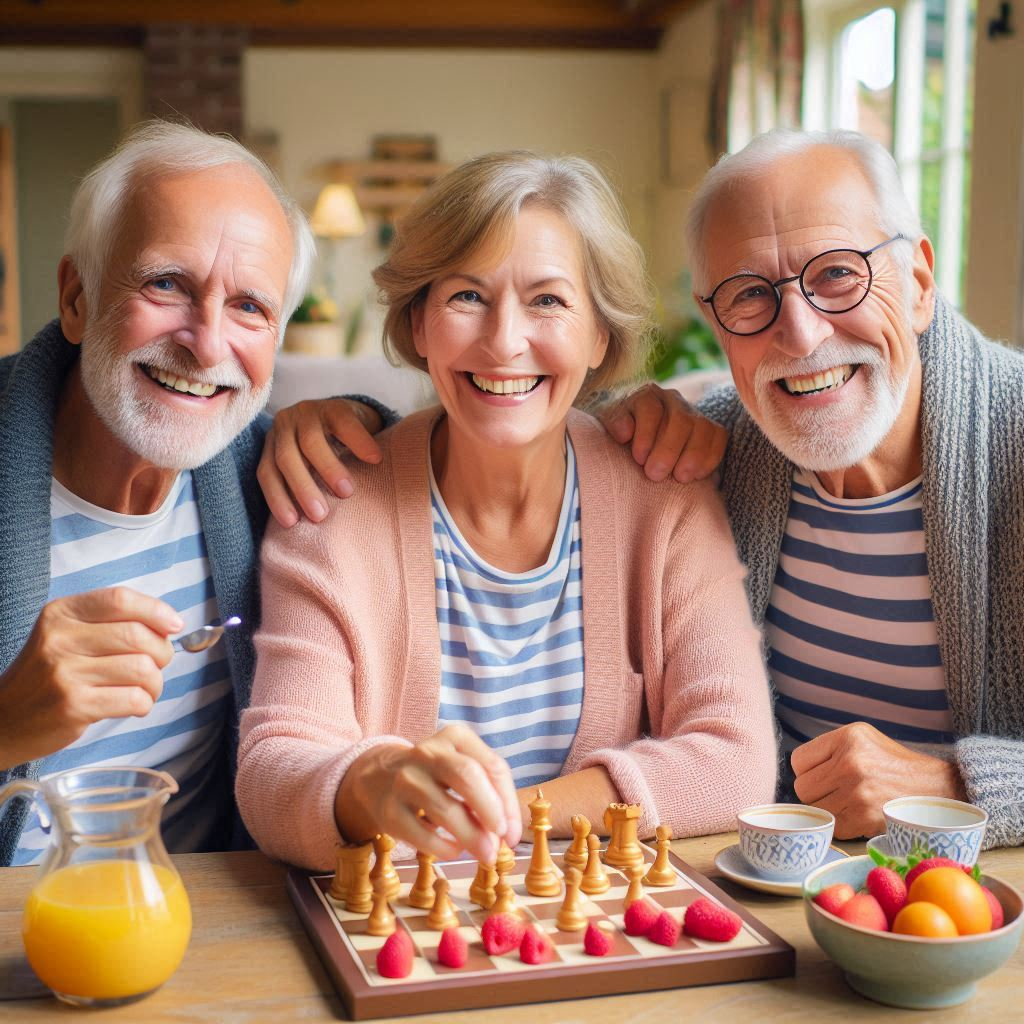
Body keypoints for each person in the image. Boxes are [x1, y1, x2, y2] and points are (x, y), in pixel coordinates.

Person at [236, 151, 778, 872]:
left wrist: (505, 817)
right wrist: (372, 786)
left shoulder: (662, 493)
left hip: (602, 934)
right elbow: (274, 769)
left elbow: (735, 760)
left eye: (548, 300)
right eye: (466, 296)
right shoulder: (333, 500)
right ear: (420, 324)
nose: (503, 341)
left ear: (600, 338)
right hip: (398, 946)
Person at [0, 121, 395, 866]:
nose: (207, 344)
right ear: (77, 298)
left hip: (203, 934)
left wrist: (367, 419)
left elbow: (437, 476)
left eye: (250, 307)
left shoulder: (264, 478)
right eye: (166, 284)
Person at [620, 128, 1024, 848]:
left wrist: (958, 787)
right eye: (750, 295)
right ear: (717, 328)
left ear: (921, 285)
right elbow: (505, 449)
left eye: (838, 273)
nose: (800, 335)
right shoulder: (709, 453)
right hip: (766, 903)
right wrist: (355, 427)